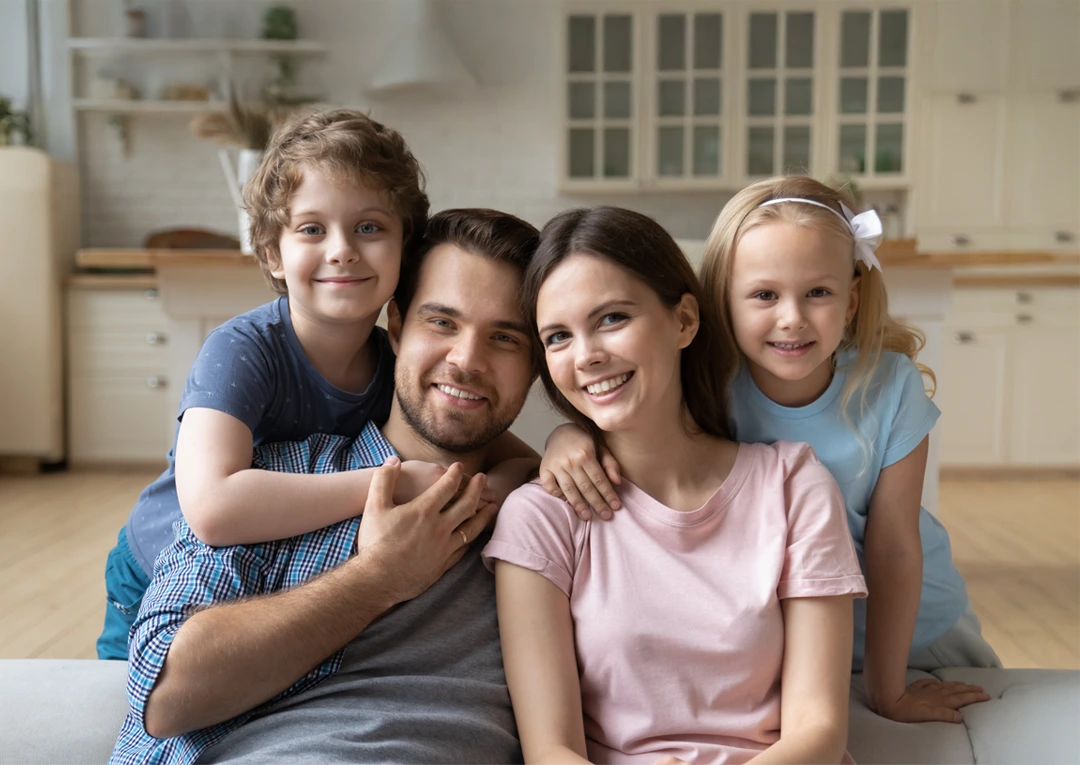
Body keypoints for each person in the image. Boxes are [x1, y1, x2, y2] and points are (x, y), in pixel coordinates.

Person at [542, 178, 1001, 725]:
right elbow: (632, 428)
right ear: (722, 301)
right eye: (764, 295)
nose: (792, 318)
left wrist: (889, 690)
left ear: (851, 299)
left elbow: (895, 547)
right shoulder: (707, 386)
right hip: (780, 642)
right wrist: (569, 436)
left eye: (818, 293)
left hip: (914, 633)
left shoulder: (889, 386)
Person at [97, 111, 534, 660]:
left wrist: (556, 452)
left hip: (258, 577)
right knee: (129, 707)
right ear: (272, 254)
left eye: (370, 228)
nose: (342, 250)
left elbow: (502, 451)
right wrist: (384, 483)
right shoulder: (243, 349)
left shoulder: (393, 360)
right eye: (311, 229)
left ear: (405, 247)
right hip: (156, 570)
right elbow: (213, 507)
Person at [108, 208, 540, 765]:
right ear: (399, 325)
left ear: (537, 366)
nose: (466, 361)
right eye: (442, 323)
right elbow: (163, 697)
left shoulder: (557, 515)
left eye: (505, 338)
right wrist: (379, 578)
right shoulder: (277, 483)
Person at [483, 206, 867, 765]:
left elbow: (820, 730)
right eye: (558, 336)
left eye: (612, 318)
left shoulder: (793, 486)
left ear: (684, 321)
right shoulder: (542, 517)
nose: (587, 355)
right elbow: (552, 751)